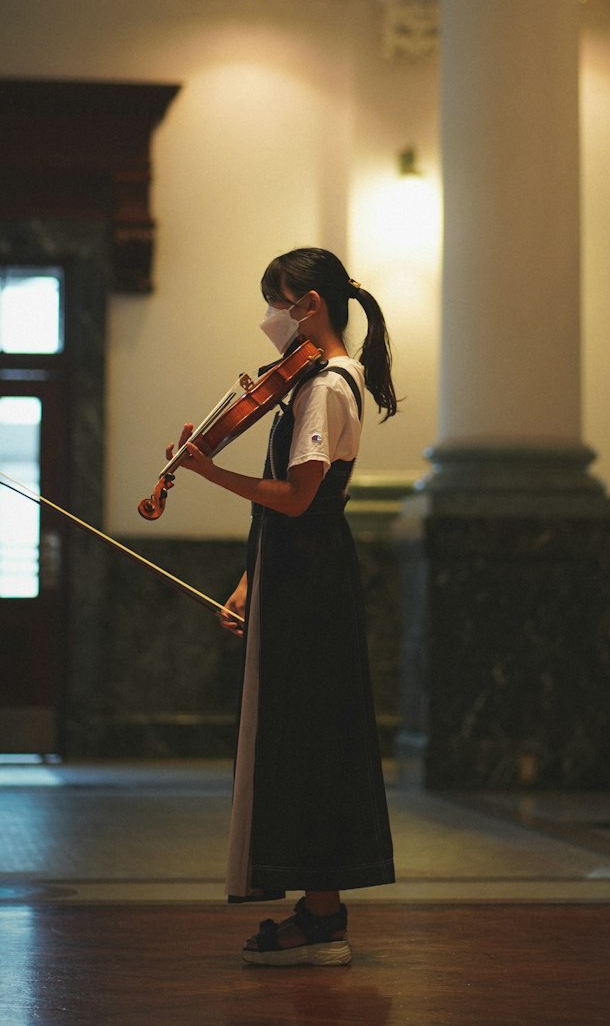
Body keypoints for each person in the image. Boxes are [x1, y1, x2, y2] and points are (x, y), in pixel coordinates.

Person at [168, 247, 397, 966]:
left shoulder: (327, 386)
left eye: (279, 299)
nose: (271, 315)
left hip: (312, 585)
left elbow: (298, 499)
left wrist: (208, 470)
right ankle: (317, 908)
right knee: (298, 741)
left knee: (310, 743)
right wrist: (248, 581)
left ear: (312, 306)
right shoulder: (306, 385)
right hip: (295, 573)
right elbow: (289, 504)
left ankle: (324, 918)